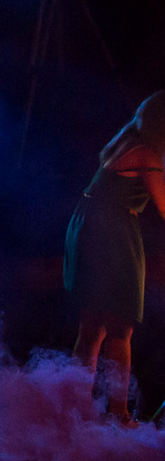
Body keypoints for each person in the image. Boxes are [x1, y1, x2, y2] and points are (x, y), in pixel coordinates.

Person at [66, 92, 165, 426]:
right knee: (120, 325)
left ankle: (76, 411)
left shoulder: (126, 139)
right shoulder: (146, 152)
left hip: (90, 224)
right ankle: (119, 413)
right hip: (112, 232)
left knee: (92, 326)